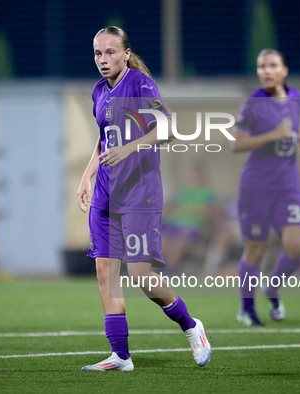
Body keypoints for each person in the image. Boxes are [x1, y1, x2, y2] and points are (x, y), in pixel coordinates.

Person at [76, 26, 211, 371]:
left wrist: (129, 148)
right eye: (97, 54)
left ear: (125, 53)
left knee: (141, 275)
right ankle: (120, 355)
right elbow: (103, 140)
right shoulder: (98, 92)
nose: (103, 60)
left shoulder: (139, 83)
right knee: (106, 271)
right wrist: (86, 177)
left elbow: (166, 129)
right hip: (105, 194)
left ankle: (191, 326)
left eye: (110, 52)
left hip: (139, 194)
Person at [231, 48, 300, 326]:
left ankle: (272, 287)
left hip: (289, 185)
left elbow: (292, 125)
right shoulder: (252, 104)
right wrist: (272, 135)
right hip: (256, 187)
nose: (266, 71)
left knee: (296, 247)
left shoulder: (296, 98)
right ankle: (247, 309)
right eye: (261, 66)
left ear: (284, 70)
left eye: (272, 65)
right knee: (255, 250)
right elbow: (238, 144)